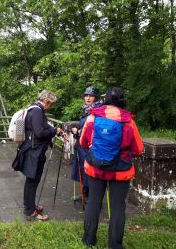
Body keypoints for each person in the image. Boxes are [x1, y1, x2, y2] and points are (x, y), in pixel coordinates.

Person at [80, 87, 144, 248]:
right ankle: (115, 245)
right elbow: (138, 149)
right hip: (120, 171)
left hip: (95, 168)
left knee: (93, 202)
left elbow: (82, 142)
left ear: (105, 99)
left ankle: (88, 239)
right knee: (117, 207)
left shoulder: (93, 117)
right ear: (123, 101)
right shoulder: (128, 121)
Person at [18, 90, 66, 221]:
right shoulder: (38, 111)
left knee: (32, 181)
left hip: (33, 150)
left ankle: (30, 206)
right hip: (34, 152)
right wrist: (54, 131)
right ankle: (30, 211)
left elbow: (44, 126)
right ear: (47, 101)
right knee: (32, 181)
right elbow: (39, 132)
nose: (51, 106)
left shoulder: (34, 108)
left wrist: (56, 130)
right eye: (51, 104)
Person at [71, 86, 102, 207]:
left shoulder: (97, 111)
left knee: (90, 171)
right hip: (82, 146)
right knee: (83, 170)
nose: (88, 98)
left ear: (96, 98)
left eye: (91, 95)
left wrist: (78, 132)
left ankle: (92, 199)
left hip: (90, 147)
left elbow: (93, 130)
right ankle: (85, 194)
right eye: (86, 95)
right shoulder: (88, 110)